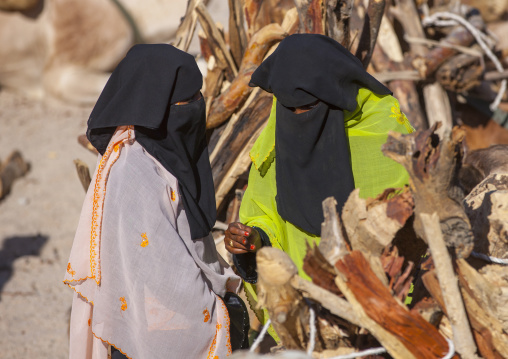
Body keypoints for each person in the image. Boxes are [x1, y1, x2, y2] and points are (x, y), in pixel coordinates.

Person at [63, 44, 248, 359]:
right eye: (185, 102)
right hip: (150, 328)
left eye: (197, 98)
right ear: (156, 106)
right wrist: (223, 307)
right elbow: (165, 276)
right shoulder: (134, 171)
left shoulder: (160, 156)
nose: (195, 107)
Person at [223, 34, 414, 336]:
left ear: (336, 94)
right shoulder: (280, 128)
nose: (299, 118)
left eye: (308, 108)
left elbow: (414, 222)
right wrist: (252, 240)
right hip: (308, 315)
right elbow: (265, 213)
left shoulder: (384, 131)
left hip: (389, 305)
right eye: (290, 109)